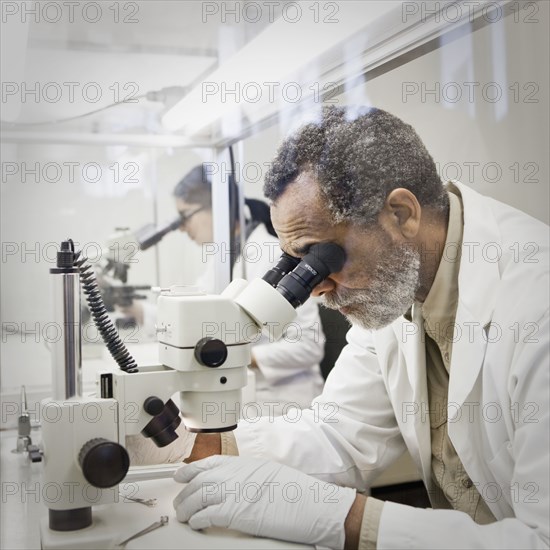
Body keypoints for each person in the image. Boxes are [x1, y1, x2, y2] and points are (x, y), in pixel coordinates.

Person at [170, 106, 549, 550]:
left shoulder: (535, 304)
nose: (313, 289)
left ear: (401, 214)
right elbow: (340, 432)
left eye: (319, 258)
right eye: (298, 264)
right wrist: (193, 443)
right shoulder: (393, 287)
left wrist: (347, 520)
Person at [128, 165, 326, 411]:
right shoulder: (223, 259)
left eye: (184, 215)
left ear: (219, 206)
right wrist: (133, 308)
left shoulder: (273, 255)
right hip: (244, 395)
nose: (181, 227)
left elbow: (308, 346)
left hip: (284, 403)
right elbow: (193, 316)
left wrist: (236, 355)